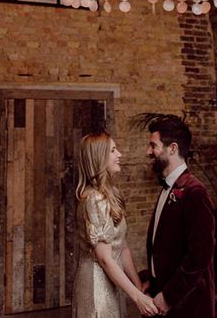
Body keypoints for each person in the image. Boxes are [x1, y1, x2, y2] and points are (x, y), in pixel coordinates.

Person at [72, 132, 159, 318]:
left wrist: (138, 287)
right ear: (99, 157)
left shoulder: (110, 194)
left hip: (111, 282)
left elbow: (123, 247)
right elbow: (104, 258)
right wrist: (137, 298)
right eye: (113, 150)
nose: (119, 154)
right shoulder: (94, 199)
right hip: (96, 286)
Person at [144, 115, 215, 318]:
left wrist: (169, 296)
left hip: (188, 304)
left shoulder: (195, 192)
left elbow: (200, 256)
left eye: (153, 145)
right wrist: (153, 279)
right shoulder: (169, 186)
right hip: (164, 298)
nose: (149, 152)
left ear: (172, 148)